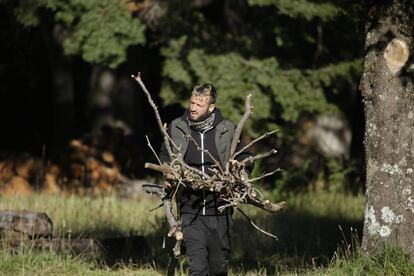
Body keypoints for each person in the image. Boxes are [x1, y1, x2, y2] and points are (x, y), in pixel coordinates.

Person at [159, 83, 252, 276]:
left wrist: (239, 172)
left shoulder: (227, 129)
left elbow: (246, 157)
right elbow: (164, 155)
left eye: (199, 105)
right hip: (190, 210)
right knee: (198, 268)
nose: (193, 108)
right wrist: (168, 172)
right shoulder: (177, 127)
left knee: (218, 267)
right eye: (191, 102)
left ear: (211, 107)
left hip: (220, 210)